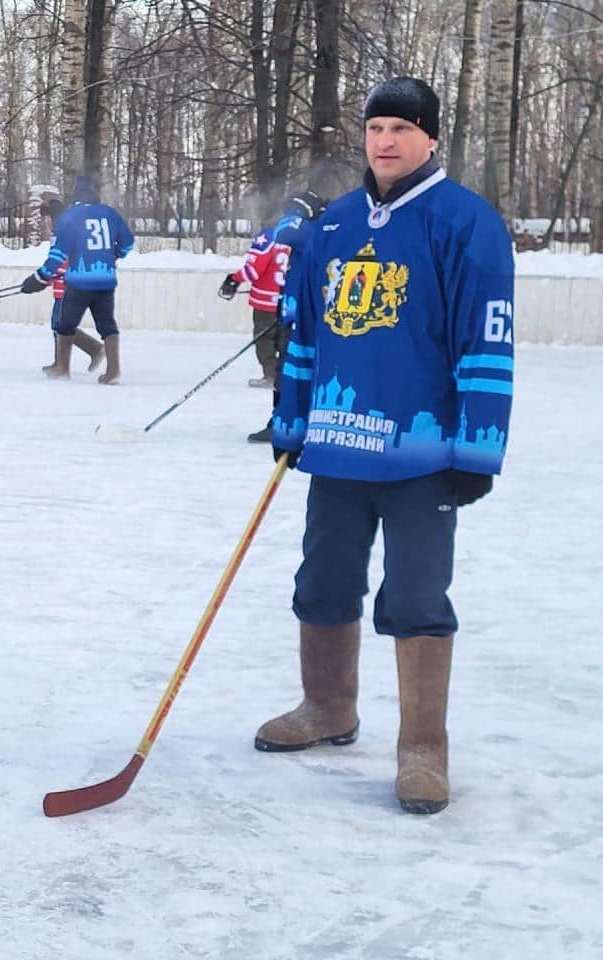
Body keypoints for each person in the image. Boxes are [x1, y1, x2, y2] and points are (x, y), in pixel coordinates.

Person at [258, 77, 514, 815]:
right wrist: (292, 419)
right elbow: (304, 335)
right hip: (336, 447)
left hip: (421, 456)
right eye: (376, 127)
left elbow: (486, 339)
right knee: (323, 584)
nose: (386, 141)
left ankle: (423, 749)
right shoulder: (334, 225)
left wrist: (478, 448)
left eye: (403, 127)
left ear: (432, 138)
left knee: (416, 597)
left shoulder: (465, 222)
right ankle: (327, 707)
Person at [219, 191, 326, 442]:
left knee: (289, 369)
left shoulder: (309, 232)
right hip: (292, 309)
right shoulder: (319, 232)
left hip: (301, 314)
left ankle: (284, 422)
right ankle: (286, 419)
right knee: (290, 369)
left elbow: (284, 232)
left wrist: (298, 211)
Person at [20, 176, 134, 383]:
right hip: (106, 280)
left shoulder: (70, 217)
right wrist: (114, 254)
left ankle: (61, 368)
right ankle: (113, 371)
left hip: (79, 281)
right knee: (107, 325)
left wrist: (40, 277)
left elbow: (57, 255)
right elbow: (128, 242)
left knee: (64, 324)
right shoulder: (110, 213)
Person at [26, 197, 103, 375]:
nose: (45, 223)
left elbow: (60, 262)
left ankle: (91, 351)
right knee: (58, 324)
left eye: (45, 218)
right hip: (66, 287)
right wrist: (46, 279)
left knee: (61, 325)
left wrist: (42, 278)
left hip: (70, 288)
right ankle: (61, 364)